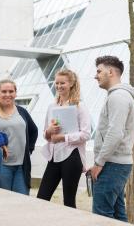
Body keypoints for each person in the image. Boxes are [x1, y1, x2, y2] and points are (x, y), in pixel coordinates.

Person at [89, 56, 134, 222]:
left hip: (112, 164)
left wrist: (99, 162)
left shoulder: (118, 97)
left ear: (110, 72)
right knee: (117, 216)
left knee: (101, 215)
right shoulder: (119, 96)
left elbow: (115, 133)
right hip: (115, 164)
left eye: (99, 71)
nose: (96, 76)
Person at [37, 69, 91, 208]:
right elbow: (45, 133)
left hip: (72, 156)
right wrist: (49, 131)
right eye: (57, 83)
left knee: (68, 201)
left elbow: (86, 134)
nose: (59, 86)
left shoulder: (79, 106)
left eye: (63, 83)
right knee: (41, 197)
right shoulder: (51, 106)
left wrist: (63, 137)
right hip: (54, 157)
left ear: (71, 83)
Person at [0, 79, 38, 195]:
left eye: (11, 91)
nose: (7, 94)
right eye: (4, 91)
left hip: (22, 167)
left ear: (15, 93)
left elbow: (34, 131)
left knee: (22, 201)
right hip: (2, 166)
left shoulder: (22, 112)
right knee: (3, 201)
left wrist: (29, 150)